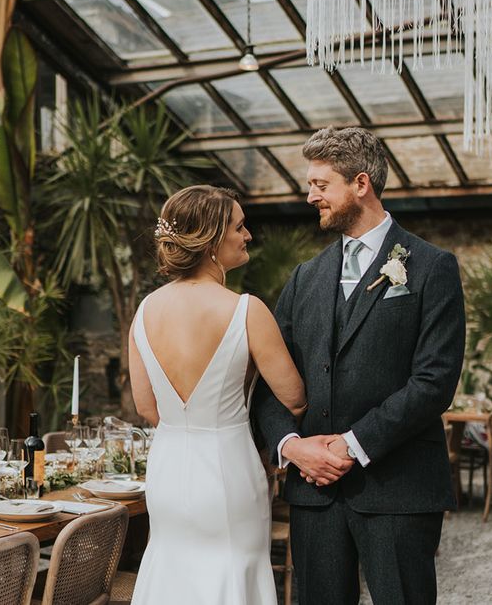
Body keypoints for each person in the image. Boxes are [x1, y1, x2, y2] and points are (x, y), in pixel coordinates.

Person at [253, 126, 466, 605]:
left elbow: (434, 382)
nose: (310, 196)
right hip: (314, 492)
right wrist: (291, 446)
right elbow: (268, 381)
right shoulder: (304, 277)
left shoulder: (431, 267)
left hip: (399, 488)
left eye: (320, 185)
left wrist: (352, 445)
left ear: (361, 184)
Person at [128, 185, 313, 605]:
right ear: (211, 240)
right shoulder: (246, 309)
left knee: (171, 570)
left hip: (169, 468)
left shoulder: (146, 310)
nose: (247, 235)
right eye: (239, 226)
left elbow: (146, 407)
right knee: (233, 572)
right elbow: (295, 397)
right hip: (228, 468)